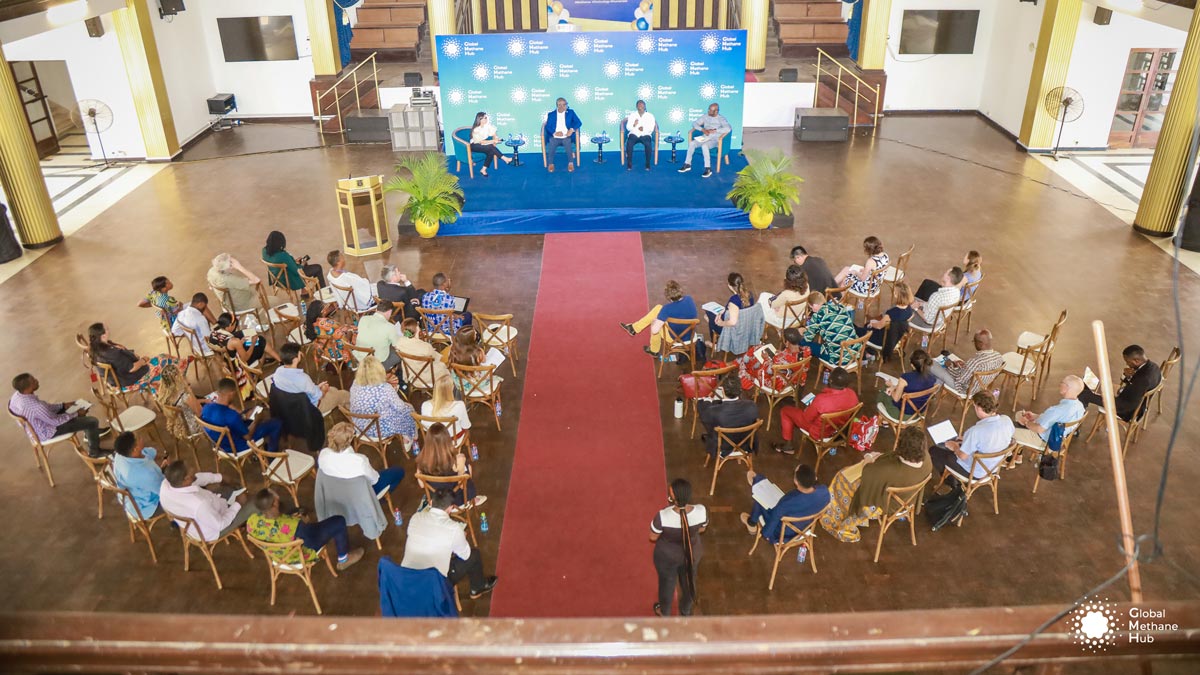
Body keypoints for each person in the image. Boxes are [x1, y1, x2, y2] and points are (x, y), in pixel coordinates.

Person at [820, 427, 931, 543]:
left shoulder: (885, 471)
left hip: (886, 503)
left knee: (842, 477)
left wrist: (868, 458)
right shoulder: (927, 460)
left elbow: (867, 476)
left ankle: (838, 510)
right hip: (908, 499)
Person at [401, 489, 498, 599]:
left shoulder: (416, 517)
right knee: (474, 555)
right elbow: (465, 555)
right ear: (451, 508)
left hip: (406, 578)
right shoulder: (454, 528)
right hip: (435, 584)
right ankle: (477, 588)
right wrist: (458, 539)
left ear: (431, 502)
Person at [247, 488, 365, 571]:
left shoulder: (252, 521)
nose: (278, 496)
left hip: (278, 557)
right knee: (338, 521)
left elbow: (275, 528)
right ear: (275, 504)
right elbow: (310, 538)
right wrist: (305, 522)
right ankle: (344, 560)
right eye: (276, 497)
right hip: (300, 555)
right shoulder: (294, 525)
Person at [9, 373, 108, 457]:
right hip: (48, 431)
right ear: (27, 388)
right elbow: (56, 421)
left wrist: (63, 405)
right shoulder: (36, 406)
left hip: (36, 425)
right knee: (91, 421)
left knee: (77, 407)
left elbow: (46, 408)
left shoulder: (16, 396)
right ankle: (95, 452)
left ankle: (90, 433)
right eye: (34, 381)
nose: (37, 380)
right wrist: (77, 413)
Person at [159, 460, 258, 541]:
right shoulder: (199, 504)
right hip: (213, 530)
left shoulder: (166, 485)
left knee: (235, 488)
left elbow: (197, 478)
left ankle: (242, 523)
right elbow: (220, 525)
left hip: (210, 509)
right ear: (186, 479)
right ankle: (260, 532)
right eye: (191, 469)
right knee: (255, 502)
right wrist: (238, 503)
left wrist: (219, 477)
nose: (193, 468)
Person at [649, 478, 707, 616]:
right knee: (689, 582)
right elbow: (702, 529)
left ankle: (665, 611)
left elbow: (652, 537)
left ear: (672, 498)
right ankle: (686, 610)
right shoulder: (701, 511)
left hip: (668, 557)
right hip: (692, 553)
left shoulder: (663, 516)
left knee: (667, 584)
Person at [929, 391, 1014, 479]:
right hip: (993, 468)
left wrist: (954, 447)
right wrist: (967, 440)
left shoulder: (975, 431)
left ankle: (954, 484)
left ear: (979, 407)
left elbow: (962, 456)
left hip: (975, 472)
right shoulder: (1007, 420)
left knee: (934, 451)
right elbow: (1006, 439)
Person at [774, 367, 859, 454]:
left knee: (785, 411)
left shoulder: (821, 400)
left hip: (819, 433)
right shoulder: (852, 394)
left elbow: (806, 419)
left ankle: (788, 446)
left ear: (830, 381)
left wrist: (808, 408)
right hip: (839, 430)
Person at [738, 464, 831, 542]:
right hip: (804, 528)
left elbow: (773, 520)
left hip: (783, 533)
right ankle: (757, 481)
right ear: (815, 477)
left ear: (796, 482)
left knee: (760, 498)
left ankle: (752, 523)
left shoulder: (787, 502)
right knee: (772, 496)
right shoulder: (824, 492)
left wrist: (765, 534)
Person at [318, 422, 406, 500]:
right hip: (361, 493)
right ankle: (380, 498)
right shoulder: (359, 461)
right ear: (350, 440)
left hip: (337, 494)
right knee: (399, 471)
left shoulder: (323, 455)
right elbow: (374, 480)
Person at [1012, 375, 1087, 464]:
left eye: (1062, 383)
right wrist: (1035, 416)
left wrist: (1026, 422)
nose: (1059, 384)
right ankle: (1018, 455)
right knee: (1019, 414)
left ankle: (1009, 459)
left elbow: (1039, 429)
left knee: (1008, 429)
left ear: (1067, 388)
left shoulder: (1057, 410)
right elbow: (1052, 420)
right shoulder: (1080, 406)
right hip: (1058, 438)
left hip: (1042, 440)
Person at [1077, 345, 1162, 422]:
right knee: (1090, 385)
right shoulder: (1154, 367)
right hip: (1129, 399)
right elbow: (1134, 387)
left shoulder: (1143, 379)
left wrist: (1111, 394)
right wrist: (1127, 376)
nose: (1127, 364)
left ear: (1136, 360)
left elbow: (1129, 403)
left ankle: (1075, 424)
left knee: (1085, 394)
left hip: (1126, 409)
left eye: (1128, 362)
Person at [88, 322, 180, 394]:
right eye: (107, 329)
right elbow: (132, 368)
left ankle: (159, 386)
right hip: (128, 379)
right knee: (165, 359)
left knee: (162, 358)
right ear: (103, 336)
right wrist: (143, 360)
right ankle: (170, 386)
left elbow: (121, 359)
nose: (109, 329)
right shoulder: (112, 353)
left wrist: (128, 352)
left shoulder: (94, 348)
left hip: (113, 379)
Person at [620, 280, 701, 358]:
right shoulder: (689, 299)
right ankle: (633, 328)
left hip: (675, 338)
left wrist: (655, 322)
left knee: (655, 322)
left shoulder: (667, 309)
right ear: (680, 290)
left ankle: (653, 350)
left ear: (667, 296)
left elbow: (654, 331)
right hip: (690, 335)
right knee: (658, 309)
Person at [201, 377, 283, 454]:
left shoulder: (206, 408)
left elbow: (229, 421)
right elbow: (248, 437)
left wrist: (243, 416)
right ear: (231, 393)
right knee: (276, 423)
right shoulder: (232, 416)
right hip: (238, 446)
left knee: (248, 412)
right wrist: (256, 421)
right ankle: (272, 455)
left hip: (220, 445)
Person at [350, 354, 417, 445]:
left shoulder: (355, 383)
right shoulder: (385, 388)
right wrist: (393, 391)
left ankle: (408, 436)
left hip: (359, 427)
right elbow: (400, 407)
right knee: (409, 409)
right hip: (379, 430)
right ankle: (409, 438)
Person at [416, 422, 486, 508]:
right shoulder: (455, 460)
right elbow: (462, 484)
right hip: (457, 500)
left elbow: (422, 485)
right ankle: (471, 499)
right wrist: (461, 469)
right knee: (468, 468)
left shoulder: (423, 461)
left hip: (437, 502)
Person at [273, 342, 351, 416]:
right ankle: (356, 416)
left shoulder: (277, 373)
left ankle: (348, 410)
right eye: (299, 353)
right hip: (313, 408)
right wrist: (323, 389)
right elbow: (318, 396)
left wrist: (317, 387)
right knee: (344, 394)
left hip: (294, 407)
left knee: (333, 390)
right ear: (295, 359)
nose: (301, 353)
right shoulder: (302, 378)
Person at [697, 373, 759, 458]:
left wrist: (706, 401)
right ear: (740, 390)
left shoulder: (714, 411)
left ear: (722, 391)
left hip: (722, 448)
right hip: (745, 445)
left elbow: (704, 416)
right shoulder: (752, 406)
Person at [929, 329, 1004, 395]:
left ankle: (928, 391)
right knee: (940, 372)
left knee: (930, 363)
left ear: (981, 344)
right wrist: (966, 366)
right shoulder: (999, 357)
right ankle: (933, 391)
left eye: (974, 341)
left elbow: (959, 379)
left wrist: (950, 366)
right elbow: (978, 370)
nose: (974, 344)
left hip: (964, 389)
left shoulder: (975, 362)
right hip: (979, 389)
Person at [111, 431, 167, 517]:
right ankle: (176, 522)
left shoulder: (120, 455)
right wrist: (164, 471)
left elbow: (148, 452)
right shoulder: (145, 474)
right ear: (136, 449)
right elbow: (163, 491)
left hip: (133, 496)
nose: (142, 438)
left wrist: (162, 461)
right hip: (145, 506)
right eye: (139, 438)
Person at [737, 327, 810, 392]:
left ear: (787, 342)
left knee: (755, 356)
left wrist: (766, 359)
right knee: (757, 351)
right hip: (796, 379)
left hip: (779, 383)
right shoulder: (806, 351)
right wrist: (782, 353)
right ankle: (744, 360)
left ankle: (744, 367)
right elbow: (795, 360)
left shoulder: (779, 359)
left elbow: (769, 371)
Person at [856, 281, 913, 362]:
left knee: (858, 330)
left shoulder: (892, 313)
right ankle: (870, 351)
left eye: (895, 292)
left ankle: (865, 355)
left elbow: (879, 326)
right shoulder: (909, 309)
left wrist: (872, 323)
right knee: (867, 325)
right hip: (896, 337)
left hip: (883, 339)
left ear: (897, 295)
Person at [878, 349, 940, 418]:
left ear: (912, 365)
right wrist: (894, 387)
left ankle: (883, 420)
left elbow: (896, 399)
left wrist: (891, 386)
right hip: (920, 412)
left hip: (904, 415)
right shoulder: (932, 377)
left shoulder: (906, 378)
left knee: (883, 392)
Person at [801, 291, 858, 363]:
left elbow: (808, 338)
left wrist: (802, 331)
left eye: (811, 307)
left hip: (838, 359)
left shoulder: (817, 316)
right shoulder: (840, 307)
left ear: (815, 305)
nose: (811, 310)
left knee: (802, 343)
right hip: (854, 353)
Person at [678, 103, 731, 178]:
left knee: (704, 146)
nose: (709, 111)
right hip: (704, 137)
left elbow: (728, 128)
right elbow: (695, 123)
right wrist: (702, 129)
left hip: (714, 140)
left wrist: (715, 130)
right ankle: (687, 164)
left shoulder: (721, 119)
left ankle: (708, 168)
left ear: (716, 111)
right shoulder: (705, 116)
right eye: (709, 109)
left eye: (711, 110)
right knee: (692, 143)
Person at [155, 363, 203, 440]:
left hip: (177, 425)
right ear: (177, 377)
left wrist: (205, 400)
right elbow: (199, 412)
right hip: (191, 428)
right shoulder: (185, 395)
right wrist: (190, 391)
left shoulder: (163, 394)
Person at [397, 318, 451, 385]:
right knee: (448, 355)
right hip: (427, 377)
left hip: (412, 375)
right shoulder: (425, 347)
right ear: (417, 328)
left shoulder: (399, 343)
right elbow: (437, 358)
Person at [909, 267, 964, 332]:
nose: (944, 273)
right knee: (914, 300)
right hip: (941, 320)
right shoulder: (957, 292)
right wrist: (922, 304)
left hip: (929, 324)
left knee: (902, 306)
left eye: (946, 272)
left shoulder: (936, 296)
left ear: (948, 278)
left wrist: (916, 308)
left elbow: (927, 319)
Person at [421, 375, 472, 443]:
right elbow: (466, 426)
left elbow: (425, 428)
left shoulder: (425, 405)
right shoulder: (459, 405)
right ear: (451, 389)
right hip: (453, 439)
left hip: (434, 440)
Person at [758, 264, 809, 330]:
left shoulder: (786, 294)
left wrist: (776, 304)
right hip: (799, 317)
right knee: (770, 298)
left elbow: (772, 304)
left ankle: (759, 327)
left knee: (763, 297)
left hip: (785, 321)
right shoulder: (807, 286)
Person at [305, 300, 355, 366]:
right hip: (336, 352)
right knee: (354, 329)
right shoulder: (327, 323)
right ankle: (354, 363)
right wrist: (350, 328)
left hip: (323, 351)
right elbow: (341, 335)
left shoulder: (310, 323)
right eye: (326, 307)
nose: (327, 308)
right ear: (323, 311)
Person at [356, 302, 403, 371]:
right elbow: (398, 346)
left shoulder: (363, 319)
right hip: (378, 364)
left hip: (360, 359)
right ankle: (397, 375)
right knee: (401, 353)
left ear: (376, 309)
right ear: (389, 312)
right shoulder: (390, 327)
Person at [708, 272, 753, 342]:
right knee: (711, 316)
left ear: (729, 286)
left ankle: (716, 343)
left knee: (708, 314)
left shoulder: (734, 301)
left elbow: (733, 322)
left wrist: (721, 323)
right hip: (745, 326)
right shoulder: (750, 294)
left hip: (734, 329)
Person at [543, 97, 581, 173]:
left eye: (564, 104)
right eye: (560, 105)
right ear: (557, 105)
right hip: (555, 137)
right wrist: (554, 133)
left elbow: (578, 122)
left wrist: (571, 129)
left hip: (567, 136)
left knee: (567, 141)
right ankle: (550, 163)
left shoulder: (571, 112)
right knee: (552, 141)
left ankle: (570, 163)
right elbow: (547, 126)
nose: (562, 106)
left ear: (566, 105)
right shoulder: (551, 114)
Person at [468, 111, 511, 177]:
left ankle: (483, 169)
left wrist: (496, 138)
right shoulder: (476, 129)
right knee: (491, 147)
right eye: (485, 118)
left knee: (491, 151)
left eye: (486, 117)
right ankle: (505, 159)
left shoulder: (487, 126)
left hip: (483, 144)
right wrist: (493, 141)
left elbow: (493, 133)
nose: (486, 119)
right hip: (474, 145)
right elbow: (481, 142)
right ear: (480, 119)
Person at [624, 100, 656, 171]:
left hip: (645, 134)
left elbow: (651, 128)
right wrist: (634, 125)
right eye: (639, 106)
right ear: (636, 107)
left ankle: (647, 164)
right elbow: (628, 128)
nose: (640, 107)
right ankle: (629, 164)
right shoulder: (632, 115)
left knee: (648, 144)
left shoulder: (650, 116)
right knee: (629, 143)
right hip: (634, 133)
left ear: (645, 106)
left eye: (642, 106)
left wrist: (644, 129)